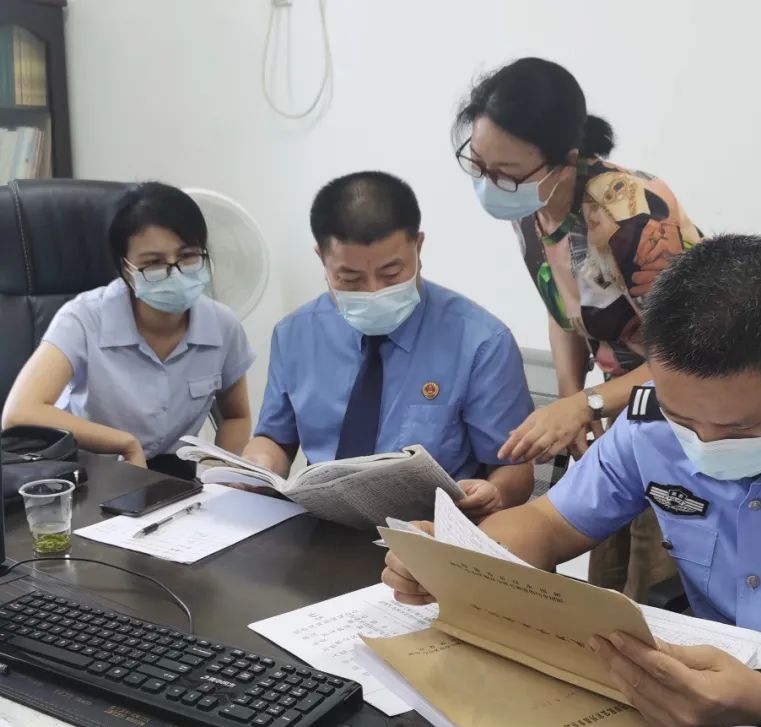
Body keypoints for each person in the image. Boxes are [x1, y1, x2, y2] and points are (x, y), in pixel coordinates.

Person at [384, 235, 761, 727]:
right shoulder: (651, 419)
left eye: (740, 427)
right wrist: (457, 559)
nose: (704, 444)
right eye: (684, 420)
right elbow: (548, 524)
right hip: (695, 692)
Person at [455, 56, 702, 598]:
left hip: (688, 415)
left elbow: (693, 360)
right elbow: (565, 308)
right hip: (618, 407)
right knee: (602, 579)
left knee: (653, 586)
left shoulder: (633, 216)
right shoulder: (530, 204)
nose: (490, 185)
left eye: (505, 173)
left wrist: (584, 406)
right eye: (478, 164)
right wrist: (572, 403)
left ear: (563, 163)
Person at [242, 171, 535, 517]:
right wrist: (259, 464)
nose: (373, 291)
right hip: (323, 522)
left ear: (419, 247)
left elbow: (515, 471)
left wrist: (496, 492)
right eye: (349, 278)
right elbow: (276, 438)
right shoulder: (295, 334)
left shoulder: (481, 342)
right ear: (321, 258)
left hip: (429, 529)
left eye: (391, 274)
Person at [1, 182, 255, 479]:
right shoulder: (83, 318)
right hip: (94, 470)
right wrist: (124, 443)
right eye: (153, 264)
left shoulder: (223, 325)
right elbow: (20, 412)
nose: (174, 272)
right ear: (125, 269)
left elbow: (236, 416)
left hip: (176, 476)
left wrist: (219, 479)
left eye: (188, 256)